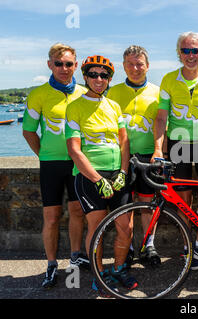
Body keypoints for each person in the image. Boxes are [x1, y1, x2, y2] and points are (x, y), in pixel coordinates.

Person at [65, 55, 136, 296]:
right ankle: (99, 274)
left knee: (126, 227)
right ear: (85, 77)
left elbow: (124, 141)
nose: (98, 79)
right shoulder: (74, 107)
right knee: (97, 229)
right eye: (93, 74)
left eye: (104, 75)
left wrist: (124, 172)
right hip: (89, 177)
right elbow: (74, 149)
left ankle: (118, 269)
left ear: (108, 80)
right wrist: (97, 179)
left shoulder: (114, 106)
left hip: (117, 174)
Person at [152, 32, 198, 271]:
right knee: (184, 200)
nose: (190, 55)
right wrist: (158, 149)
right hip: (178, 144)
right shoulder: (169, 79)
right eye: (185, 51)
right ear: (179, 53)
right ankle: (187, 248)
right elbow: (161, 118)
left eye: (195, 51)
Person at [22, 43, 88, 288]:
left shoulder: (84, 92)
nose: (63, 68)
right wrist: (44, 154)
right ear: (49, 64)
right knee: (51, 217)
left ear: (76, 66)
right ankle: (51, 264)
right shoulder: (38, 94)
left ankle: (75, 256)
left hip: (77, 163)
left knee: (77, 212)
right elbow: (28, 131)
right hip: (51, 164)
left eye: (68, 64)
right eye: (58, 63)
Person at [107, 45, 161, 265]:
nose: (135, 68)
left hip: (150, 156)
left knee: (148, 203)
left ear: (147, 66)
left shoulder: (158, 92)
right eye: (130, 63)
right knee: (126, 204)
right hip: (122, 156)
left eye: (139, 63)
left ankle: (149, 246)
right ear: (123, 66)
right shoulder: (113, 91)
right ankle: (127, 246)